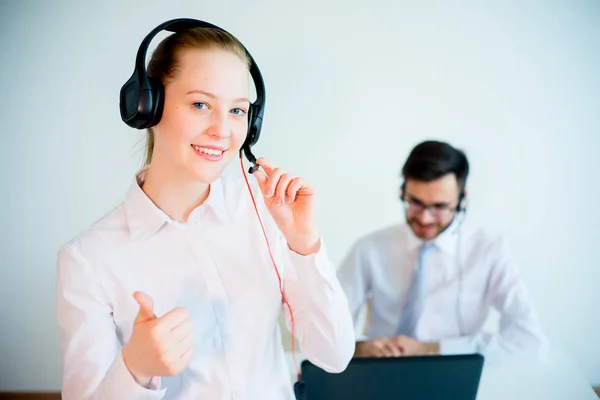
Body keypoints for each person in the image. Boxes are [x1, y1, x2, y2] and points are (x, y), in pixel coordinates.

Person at [56, 19, 354, 400]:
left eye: (237, 111)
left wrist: (305, 247)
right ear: (148, 106)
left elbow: (334, 355)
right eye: (200, 104)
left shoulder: (266, 213)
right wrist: (135, 370)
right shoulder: (88, 259)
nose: (223, 131)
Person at [337, 140, 547, 364]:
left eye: (439, 207)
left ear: (462, 200)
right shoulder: (369, 248)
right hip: (378, 373)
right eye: (414, 202)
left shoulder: (490, 250)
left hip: (454, 372)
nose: (425, 218)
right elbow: (328, 331)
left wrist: (431, 349)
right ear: (402, 191)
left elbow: (530, 342)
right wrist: (358, 348)